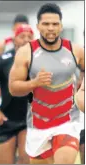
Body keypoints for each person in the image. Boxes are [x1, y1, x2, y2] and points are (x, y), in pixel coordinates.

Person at [8, 3, 85, 164]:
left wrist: (82, 88)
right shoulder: (26, 53)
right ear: (38, 26)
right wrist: (34, 83)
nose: (51, 28)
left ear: (61, 26)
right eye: (46, 24)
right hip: (38, 126)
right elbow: (13, 88)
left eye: (55, 24)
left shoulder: (75, 51)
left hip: (68, 122)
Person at [0, 24, 34, 164]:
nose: (26, 40)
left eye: (30, 37)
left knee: (25, 159)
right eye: (22, 36)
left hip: (30, 118)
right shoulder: (3, 60)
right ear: (14, 39)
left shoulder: (38, 59)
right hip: (7, 119)